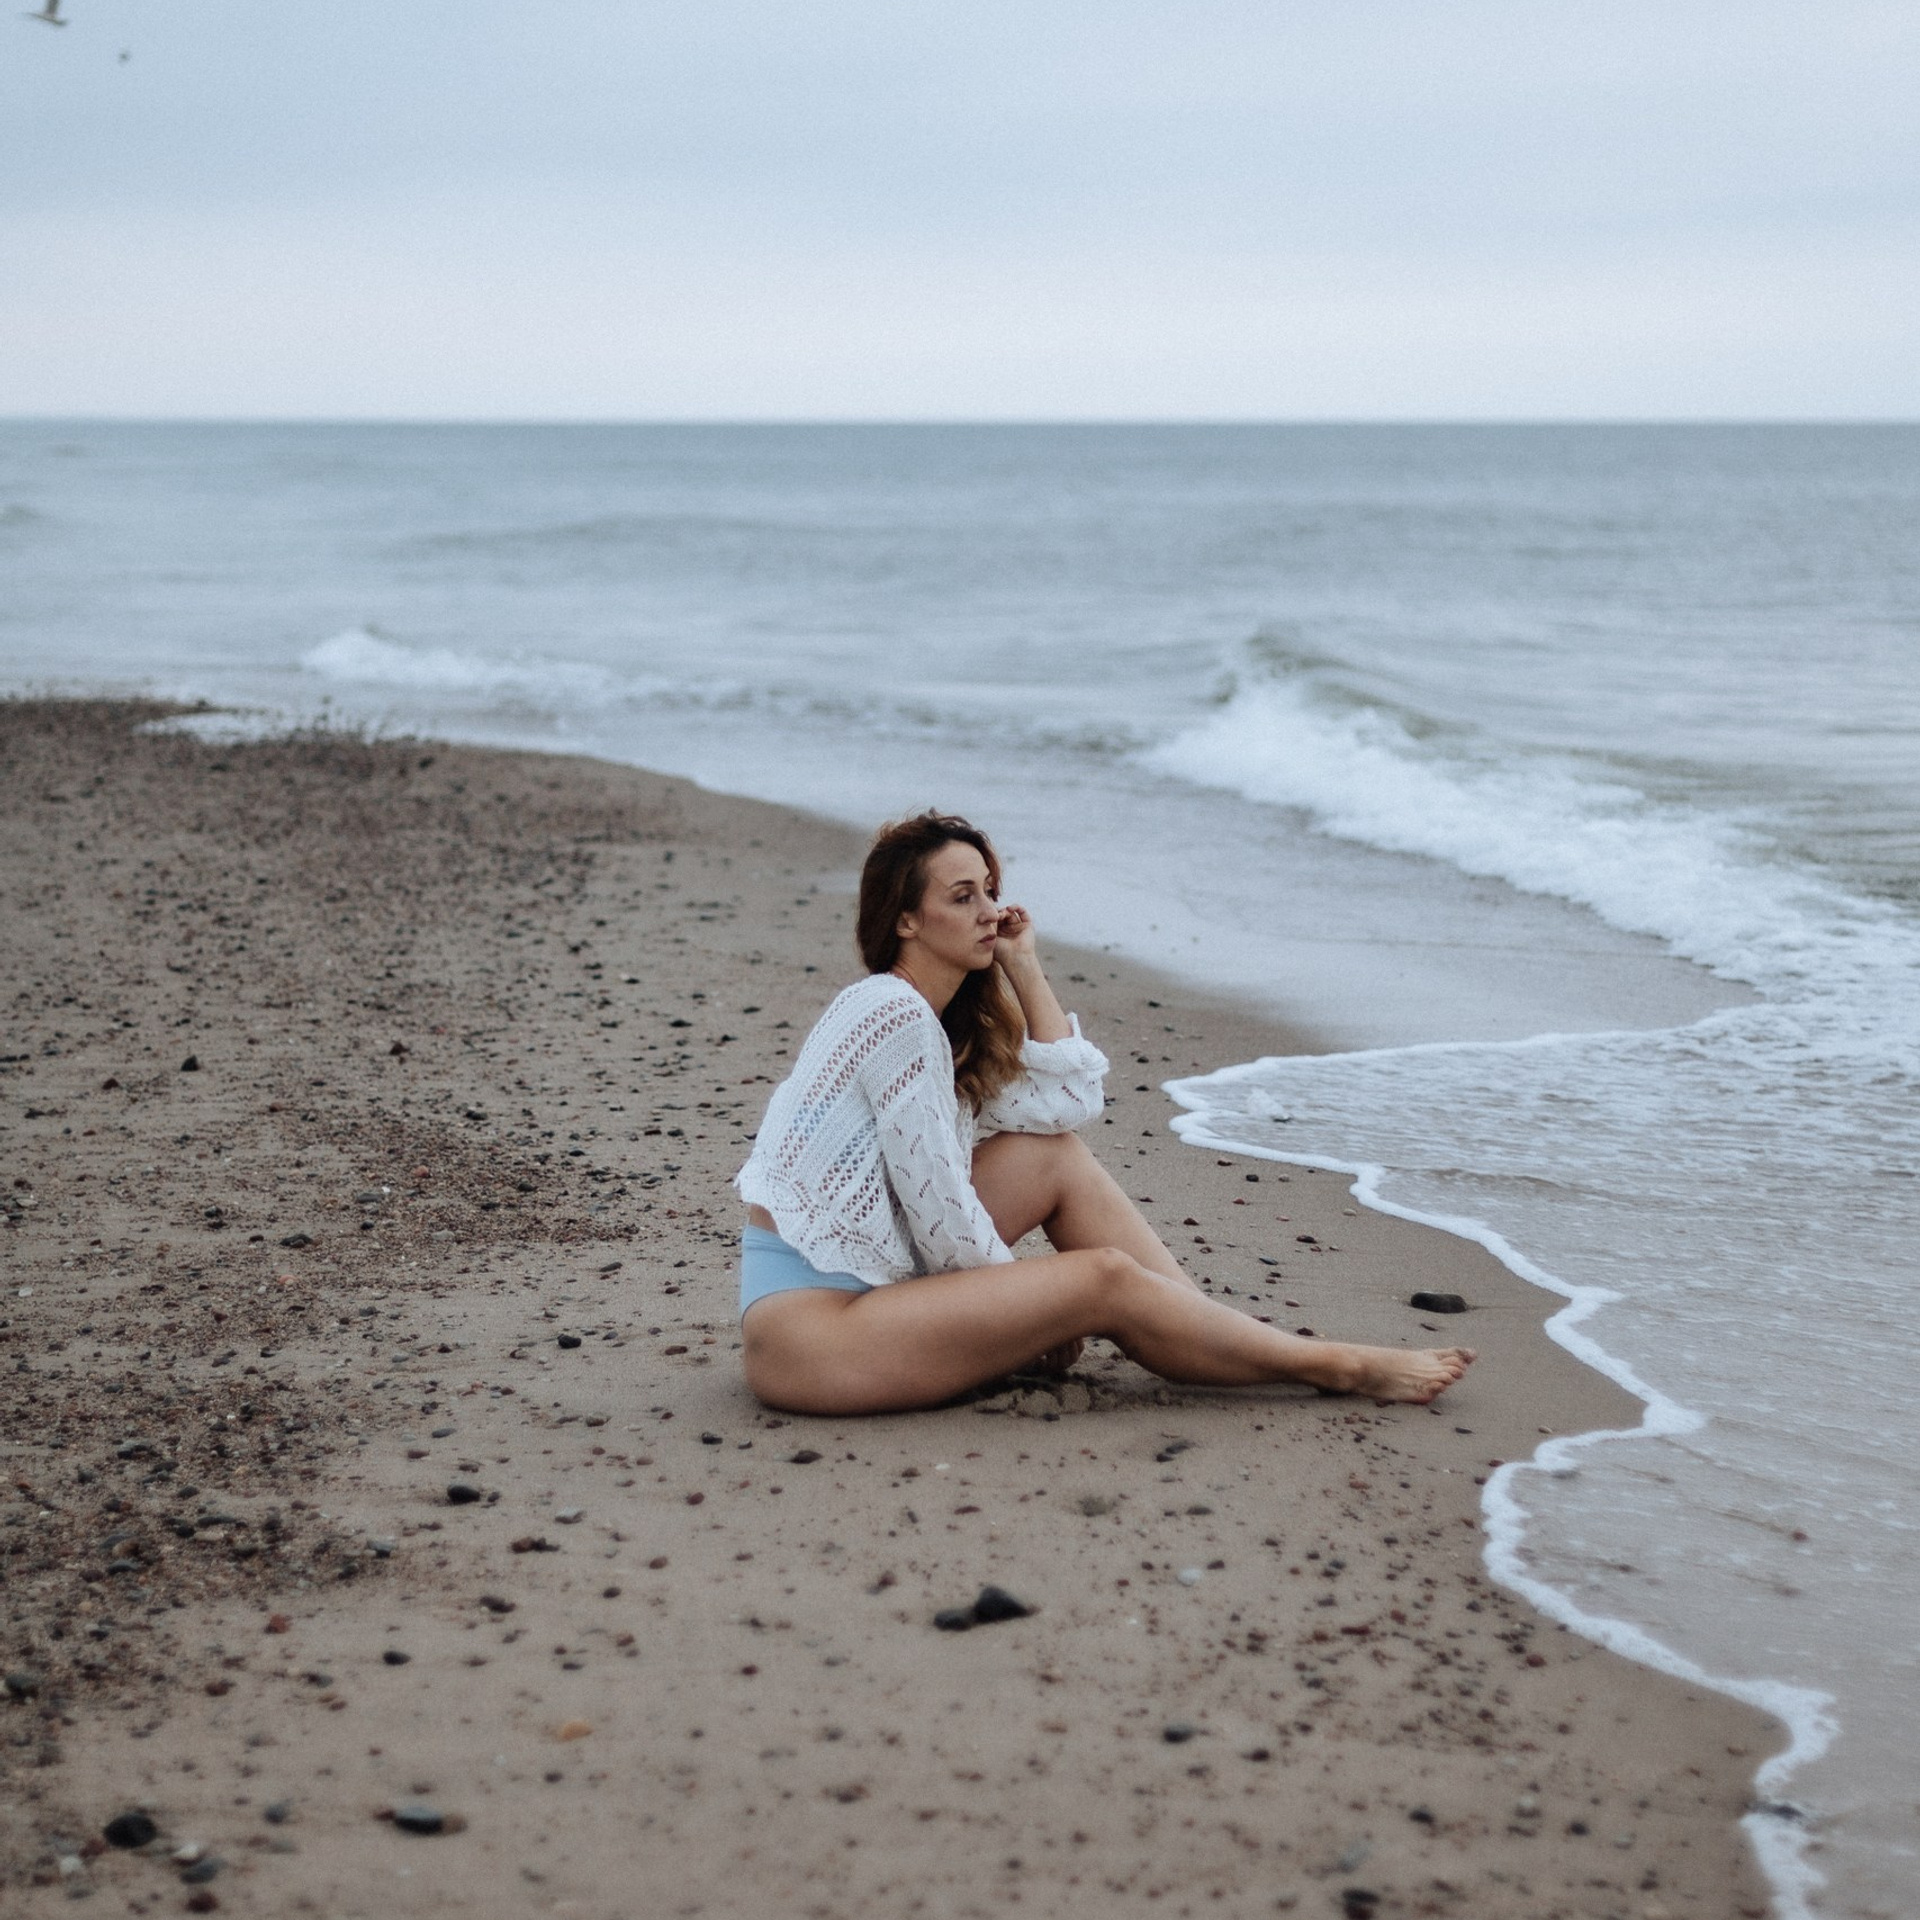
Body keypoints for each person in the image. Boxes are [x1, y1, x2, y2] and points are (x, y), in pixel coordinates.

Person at [735, 811, 1474, 1417]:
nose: (990, 911)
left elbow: (1067, 1105)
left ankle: (1209, 1334)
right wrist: (1032, 1314)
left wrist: (1024, 965)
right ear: (904, 920)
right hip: (815, 1340)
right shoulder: (891, 1012)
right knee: (1102, 1281)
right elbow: (940, 1218)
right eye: (963, 897)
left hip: (863, 1295)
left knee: (1053, 1159)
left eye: (990, 891)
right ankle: (1335, 1366)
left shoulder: (933, 1028)